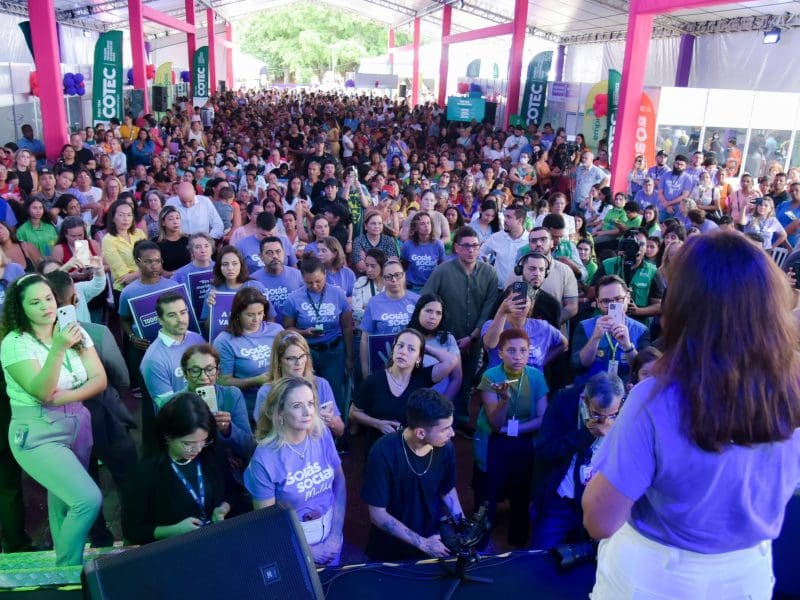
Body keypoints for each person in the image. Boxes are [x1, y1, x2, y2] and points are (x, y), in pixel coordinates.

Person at [584, 231, 800, 598]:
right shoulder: (792, 386)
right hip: (748, 574)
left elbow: (600, 520)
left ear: (683, 306)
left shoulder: (656, 397)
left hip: (657, 578)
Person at [0, 274, 106, 564]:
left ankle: (68, 567)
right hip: (36, 431)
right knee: (87, 499)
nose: (46, 307)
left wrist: (62, 398)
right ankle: (68, 569)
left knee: (65, 503)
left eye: (48, 298)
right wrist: (59, 346)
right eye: (35, 302)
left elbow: (99, 380)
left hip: (77, 424)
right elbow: (41, 390)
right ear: (20, 308)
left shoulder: (73, 330)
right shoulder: (15, 342)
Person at [245, 376, 346, 565]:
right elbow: (268, 521)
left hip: (332, 533)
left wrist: (335, 535)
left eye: (310, 403)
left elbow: (339, 481)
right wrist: (308, 551)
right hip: (293, 544)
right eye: (297, 405)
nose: (308, 412)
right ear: (280, 412)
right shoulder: (264, 459)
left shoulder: (321, 433)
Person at [362, 389, 462, 562]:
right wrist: (422, 543)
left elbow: (447, 488)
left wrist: (461, 523)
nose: (452, 433)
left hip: (433, 542)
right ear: (420, 433)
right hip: (390, 551)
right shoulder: (383, 452)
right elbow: (378, 515)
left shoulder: (445, 447)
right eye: (445, 429)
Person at [121, 392, 234, 545]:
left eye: (203, 441)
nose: (197, 449)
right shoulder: (145, 473)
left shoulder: (212, 452)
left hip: (215, 540)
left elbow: (232, 490)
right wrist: (174, 530)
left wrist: (223, 508)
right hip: (173, 548)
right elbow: (132, 529)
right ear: (167, 436)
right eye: (188, 444)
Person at [531, 372, 625, 550]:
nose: (605, 423)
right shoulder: (563, 402)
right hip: (561, 500)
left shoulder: (626, 409)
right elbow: (544, 450)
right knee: (539, 557)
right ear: (584, 399)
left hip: (600, 504)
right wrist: (586, 434)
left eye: (612, 415)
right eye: (597, 415)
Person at [474, 328, 549, 547]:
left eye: (523, 351)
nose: (518, 356)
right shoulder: (491, 377)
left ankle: (518, 545)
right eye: (512, 351)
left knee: (522, 495)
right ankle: (479, 545)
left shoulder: (536, 376)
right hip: (495, 444)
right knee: (489, 495)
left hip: (524, 442)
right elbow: (495, 424)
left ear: (529, 353)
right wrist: (504, 400)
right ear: (500, 353)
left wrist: (514, 429)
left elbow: (543, 418)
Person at [421, 226, 499, 421]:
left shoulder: (489, 273)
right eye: (466, 246)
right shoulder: (442, 271)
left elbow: (489, 309)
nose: (471, 250)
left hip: (475, 338)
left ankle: (461, 417)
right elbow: (427, 299)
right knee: (444, 378)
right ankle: (438, 417)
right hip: (445, 338)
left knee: (468, 379)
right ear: (456, 247)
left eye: (475, 246)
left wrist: (473, 336)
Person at [351, 328, 457, 451]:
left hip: (413, 449)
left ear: (419, 358)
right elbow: (353, 413)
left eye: (411, 349)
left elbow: (451, 361)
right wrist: (378, 424)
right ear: (393, 349)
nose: (403, 352)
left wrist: (423, 347)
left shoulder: (423, 377)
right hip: (380, 448)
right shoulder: (374, 380)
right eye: (400, 346)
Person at [282, 256, 354, 417]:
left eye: (318, 281)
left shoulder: (338, 294)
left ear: (325, 275)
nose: (314, 286)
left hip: (334, 351)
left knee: (334, 393)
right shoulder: (294, 299)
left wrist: (350, 356)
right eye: (309, 282)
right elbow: (287, 329)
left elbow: (347, 326)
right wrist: (304, 332)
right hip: (306, 353)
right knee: (308, 393)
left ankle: (338, 433)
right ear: (302, 279)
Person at [180, 344, 254, 467]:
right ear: (185, 374)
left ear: (217, 372)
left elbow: (248, 447)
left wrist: (229, 430)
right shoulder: (175, 403)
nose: (203, 377)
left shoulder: (232, 395)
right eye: (195, 370)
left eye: (209, 369)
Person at [213, 287, 283, 417]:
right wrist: (255, 380)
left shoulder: (277, 330)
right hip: (247, 408)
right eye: (250, 315)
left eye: (260, 313)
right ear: (238, 314)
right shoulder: (224, 341)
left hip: (280, 403)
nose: (256, 319)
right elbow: (222, 381)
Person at [572, 275, 650, 383]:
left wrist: (627, 346)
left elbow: (645, 371)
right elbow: (577, 366)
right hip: (591, 392)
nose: (612, 305)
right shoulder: (585, 326)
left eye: (618, 299)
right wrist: (595, 338)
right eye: (606, 301)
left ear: (627, 298)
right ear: (598, 303)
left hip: (626, 393)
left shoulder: (641, 330)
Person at [140, 291, 205, 409]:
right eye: (172, 315)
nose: (180, 319)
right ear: (160, 320)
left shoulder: (197, 338)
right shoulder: (153, 359)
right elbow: (166, 405)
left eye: (183, 312)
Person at [482, 283, 567, 371]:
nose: (518, 305)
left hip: (532, 381)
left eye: (523, 301)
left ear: (532, 304)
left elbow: (563, 343)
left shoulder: (542, 327)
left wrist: (543, 361)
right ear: (505, 301)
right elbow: (489, 344)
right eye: (514, 300)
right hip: (500, 381)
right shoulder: (492, 324)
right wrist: (502, 311)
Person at [358, 258, 420, 375]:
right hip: (382, 362)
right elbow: (365, 339)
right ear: (383, 279)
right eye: (388, 276)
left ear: (404, 276)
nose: (394, 280)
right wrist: (365, 371)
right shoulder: (374, 303)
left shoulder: (417, 301)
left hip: (412, 364)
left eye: (398, 275)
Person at [102, 200, 147, 299]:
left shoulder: (139, 233)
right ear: (113, 218)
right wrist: (146, 270)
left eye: (129, 215)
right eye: (121, 215)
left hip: (147, 286)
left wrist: (139, 272)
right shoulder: (108, 240)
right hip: (125, 291)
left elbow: (152, 260)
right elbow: (124, 277)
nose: (126, 219)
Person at [480, 204, 530, 287]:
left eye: (509, 217)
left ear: (520, 221)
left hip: (521, 290)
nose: (504, 220)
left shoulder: (530, 240)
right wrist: (486, 266)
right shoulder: (497, 237)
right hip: (497, 290)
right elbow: (480, 252)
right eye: (505, 216)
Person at [351, 210, 400, 275]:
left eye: (380, 223)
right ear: (365, 226)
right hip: (364, 278)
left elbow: (392, 264)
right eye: (373, 223)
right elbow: (360, 267)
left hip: (384, 278)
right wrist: (383, 261)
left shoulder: (388, 240)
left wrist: (367, 260)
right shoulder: (359, 240)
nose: (377, 226)